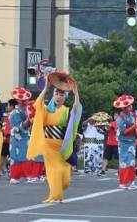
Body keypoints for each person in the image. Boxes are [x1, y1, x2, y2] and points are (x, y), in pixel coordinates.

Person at [27, 72, 82, 203]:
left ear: (65, 97)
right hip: (49, 146)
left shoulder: (66, 110)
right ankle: (55, 196)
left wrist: (75, 93)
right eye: (56, 94)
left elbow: (77, 108)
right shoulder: (47, 109)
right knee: (54, 172)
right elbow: (38, 104)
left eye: (61, 94)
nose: (58, 96)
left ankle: (57, 191)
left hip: (62, 147)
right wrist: (46, 88)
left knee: (65, 177)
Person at [8, 89, 33, 184]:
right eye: (25, 100)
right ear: (19, 101)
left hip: (25, 136)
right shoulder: (15, 113)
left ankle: (23, 175)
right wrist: (29, 118)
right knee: (17, 156)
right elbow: (20, 126)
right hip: (17, 137)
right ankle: (15, 176)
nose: (27, 102)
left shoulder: (25, 110)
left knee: (25, 155)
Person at [114, 94, 137, 188]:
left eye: (131, 105)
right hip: (124, 142)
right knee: (124, 162)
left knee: (132, 161)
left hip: (132, 141)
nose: (131, 107)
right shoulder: (120, 119)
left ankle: (131, 180)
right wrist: (134, 126)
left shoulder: (132, 115)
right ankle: (123, 182)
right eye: (129, 106)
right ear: (124, 108)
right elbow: (123, 132)